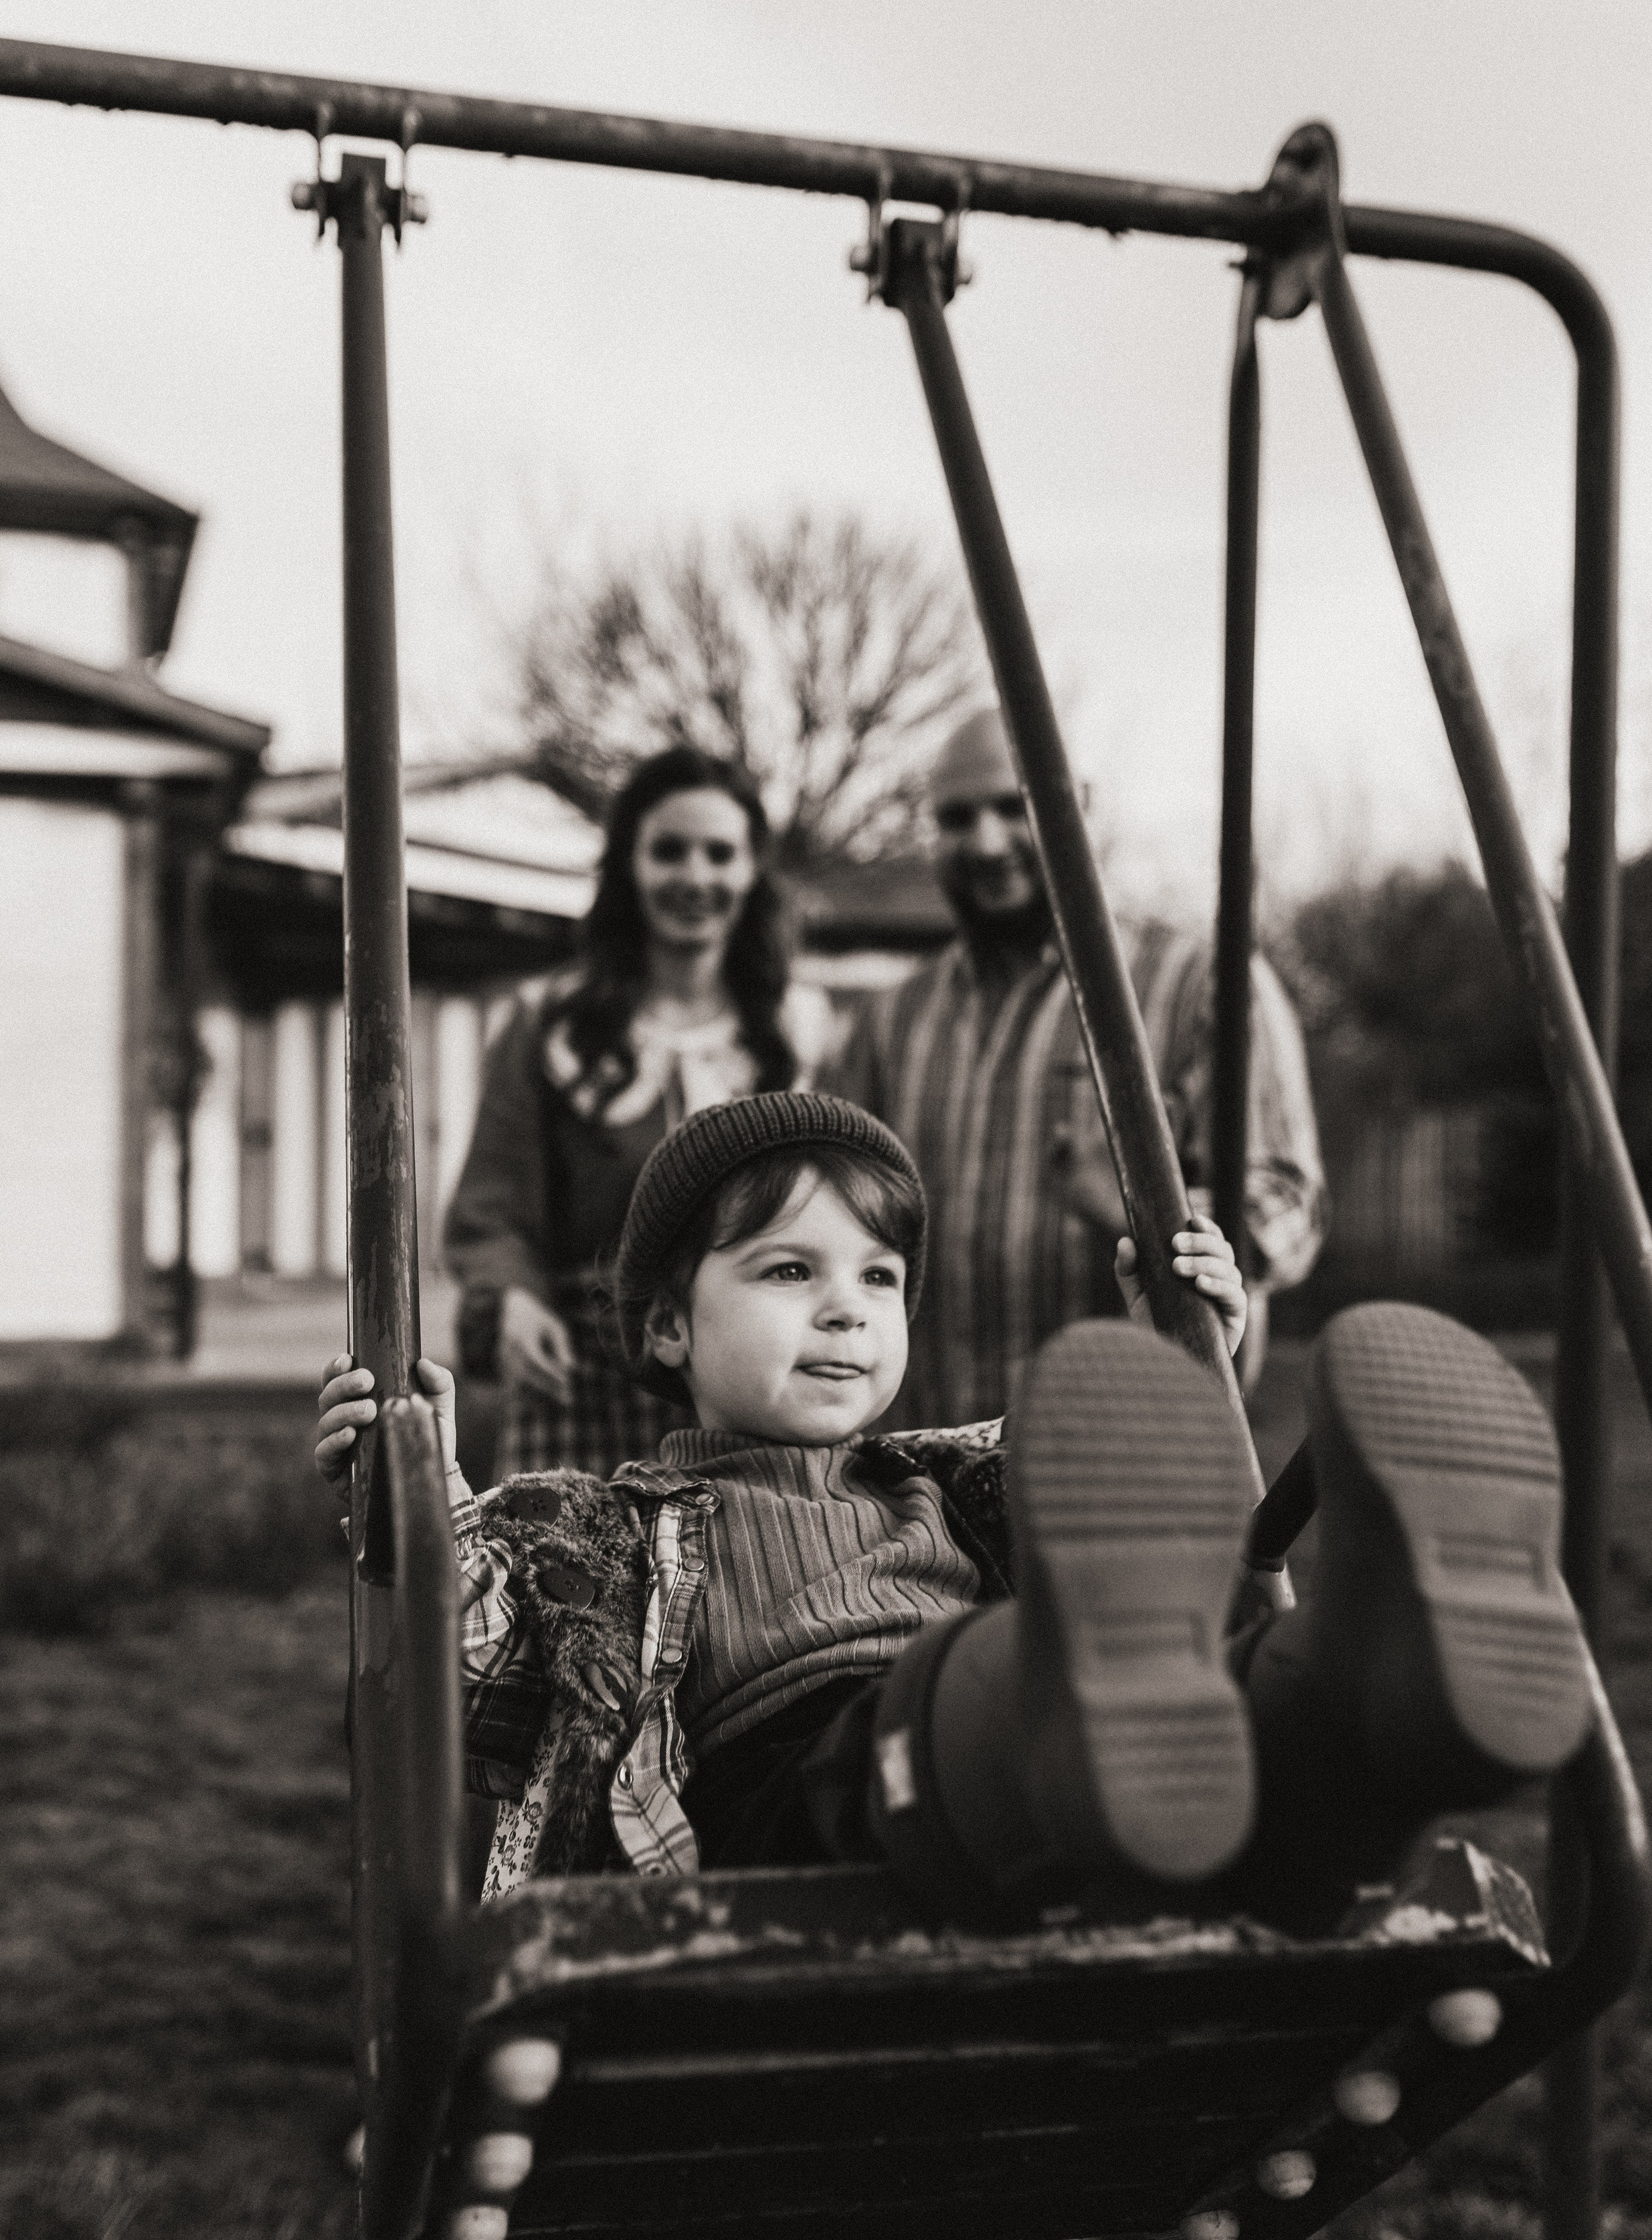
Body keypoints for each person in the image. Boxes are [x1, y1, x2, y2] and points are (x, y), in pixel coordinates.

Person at [316, 1091, 1590, 1939]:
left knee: (1236, 1705)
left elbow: (1132, 1463)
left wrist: (1182, 1348)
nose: (848, 1309)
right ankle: (1107, 1721)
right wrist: (408, 1502)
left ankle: (1377, 1700)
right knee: (1005, 1679)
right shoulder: (588, 1531)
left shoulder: (958, 1479)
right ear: (664, 1324)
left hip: (1018, 1776)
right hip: (790, 1825)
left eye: (880, 1276)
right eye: (787, 1272)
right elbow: (460, 1647)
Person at [826, 708, 1327, 1425]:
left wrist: (1152, 1208)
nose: (988, 842)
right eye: (957, 818)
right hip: (920, 1483)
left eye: (1014, 807)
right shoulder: (889, 1020)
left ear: (1079, 809)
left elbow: (1287, 1209)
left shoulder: (1203, 988)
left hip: (1126, 1466)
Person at [443, 746, 832, 1478]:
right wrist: (513, 1302)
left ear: (752, 872)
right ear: (628, 867)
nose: (694, 877)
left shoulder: (799, 1032)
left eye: (719, 854)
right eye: (668, 852)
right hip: (583, 1381)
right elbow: (490, 1214)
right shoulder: (547, 1025)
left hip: (751, 1387)